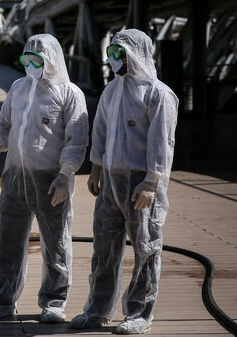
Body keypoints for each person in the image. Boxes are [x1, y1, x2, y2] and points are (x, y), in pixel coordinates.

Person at [70, 29, 178, 334]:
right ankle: (97, 309)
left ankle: (140, 312)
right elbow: (101, 131)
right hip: (111, 182)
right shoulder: (112, 90)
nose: (113, 59)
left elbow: (163, 142)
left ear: (136, 55)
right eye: (112, 53)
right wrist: (96, 167)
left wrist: (151, 181)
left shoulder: (158, 94)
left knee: (145, 247)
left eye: (120, 54)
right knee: (104, 248)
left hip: (140, 183)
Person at [0, 34, 89, 323]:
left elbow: (76, 140)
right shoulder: (18, 87)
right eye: (26, 59)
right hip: (15, 179)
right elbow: (4, 124)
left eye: (36, 60)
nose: (30, 64)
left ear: (51, 60)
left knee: (56, 242)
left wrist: (66, 175)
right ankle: (2, 301)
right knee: (8, 240)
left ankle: (54, 301)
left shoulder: (69, 93)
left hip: (50, 179)